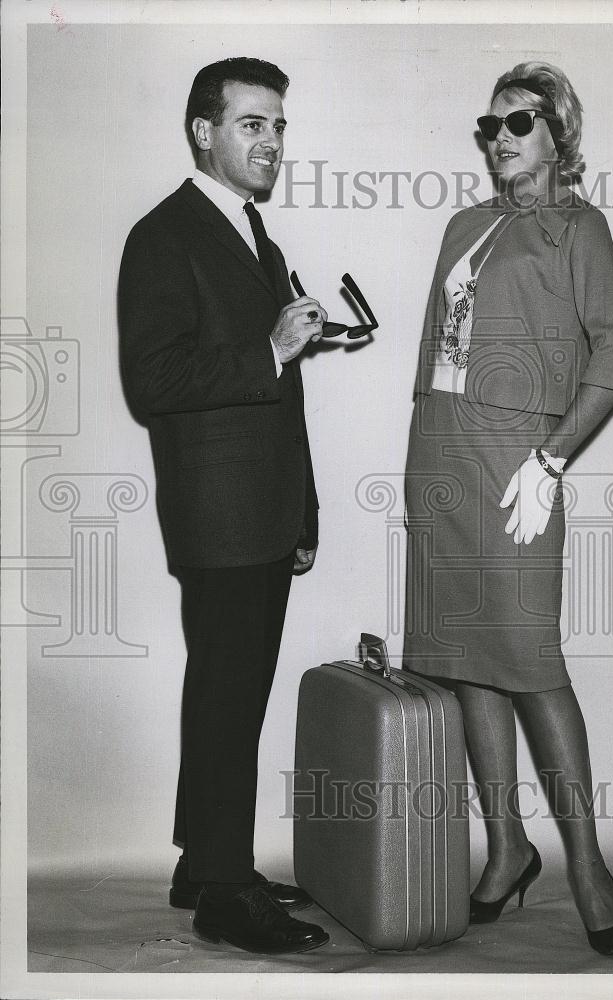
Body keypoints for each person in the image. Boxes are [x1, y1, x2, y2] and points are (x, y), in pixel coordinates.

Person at [402, 61, 613, 956]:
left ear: (559, 134)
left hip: (514, 470)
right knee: (466, 659)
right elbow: (440, 358)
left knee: (530, 659)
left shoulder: (578, 229)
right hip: (440, 459)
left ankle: (586, 863)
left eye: (520, 121)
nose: (500, 137)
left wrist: (549, 461)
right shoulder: (465, 224)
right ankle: (506, 848)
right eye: (490, 123)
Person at [118, 57, 331, 955]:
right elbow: (153, 379)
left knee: (225, 690)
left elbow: (277, 390)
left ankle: (201, 862)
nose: (271, 143)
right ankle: (222, 893)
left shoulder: (254, 236)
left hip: (260, 507)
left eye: (279, 126)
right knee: (228, 695)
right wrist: (272, 349)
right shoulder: (164, 235)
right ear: (204, 131)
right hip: (219, 512)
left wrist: (305, 505)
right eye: (252, 124)